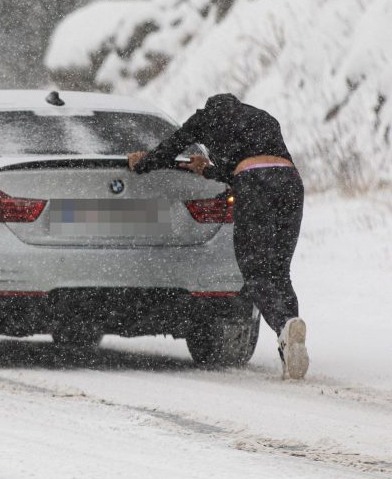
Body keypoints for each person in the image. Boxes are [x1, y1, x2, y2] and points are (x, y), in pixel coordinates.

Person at [127, 93, 308, 380]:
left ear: (210, 108)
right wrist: (208, 170)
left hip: (254, 186)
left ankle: (285, 326)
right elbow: (255, 161)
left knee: (254, 271)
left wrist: (143, 163)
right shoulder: (262, 118)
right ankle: (291, 335)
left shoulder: (205, 118)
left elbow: (168, 150)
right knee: (278, 270)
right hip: (289, 183)